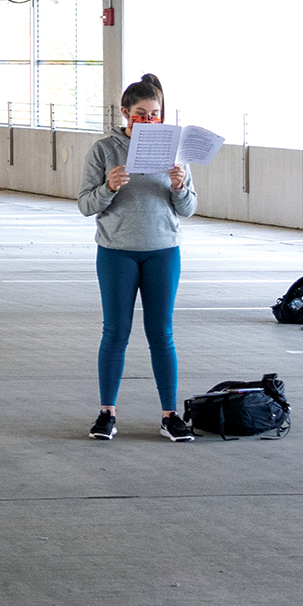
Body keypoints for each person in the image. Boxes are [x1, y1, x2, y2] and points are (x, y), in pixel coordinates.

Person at [76, 73, 198, 441]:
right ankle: (107, 412)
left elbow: (189, 208)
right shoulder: (103, 150)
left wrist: (179, 187)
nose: (149, 120)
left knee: (162, 334)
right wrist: (108, 187)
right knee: (115, 332)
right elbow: (85, 204)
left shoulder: (174, 152)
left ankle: (169, 414)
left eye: (155, 113)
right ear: (126, 114)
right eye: (141, 113)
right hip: (117, 252)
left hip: (163, 250)